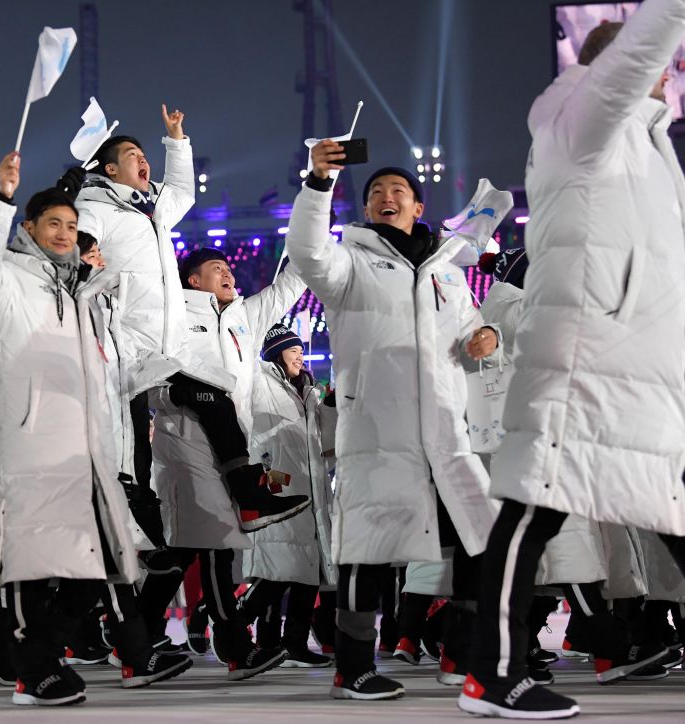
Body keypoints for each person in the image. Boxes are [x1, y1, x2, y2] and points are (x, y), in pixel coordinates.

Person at [462, 2, 685, 717]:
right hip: (585, 357)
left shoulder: (653, 149)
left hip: (646, 367)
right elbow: (631, 62)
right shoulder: (580, 125)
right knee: (535, 511)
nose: (668, 73)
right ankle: (491, 675)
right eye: (656, 60)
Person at [0, 151, 191, 706]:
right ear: (29, 229)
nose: (64, 233)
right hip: (30, 446)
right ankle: (31, 670)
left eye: (70, 225)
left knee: (102, 564)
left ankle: (28, 654)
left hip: (85, 450)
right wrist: (0, 199)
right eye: (53, 224)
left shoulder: (82, 292)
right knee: (32, 564)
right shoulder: (10, 280)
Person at [286, 144, 501, 702]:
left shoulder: (447, 273)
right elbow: (306, 252)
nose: (386, 197)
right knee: (369, 551)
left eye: (396, 191)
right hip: (380, 432)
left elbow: (471, 333)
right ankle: (353, 666)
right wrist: (318, 183)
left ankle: (461, 651)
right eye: (376, 192)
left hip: (447, 436)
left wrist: (487, 339)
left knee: (481, 538)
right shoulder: (348, 262)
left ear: (417, 204)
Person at [76, 107, 310, 537]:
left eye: (144, 154)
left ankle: (247, 494)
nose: (143, 159)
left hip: (164, 347)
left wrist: (176, 141)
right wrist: (83, 251)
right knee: (131, 452)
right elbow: (77, 243)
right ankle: (137, 527)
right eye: (132, 154)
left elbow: (182, 192)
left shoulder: (151, 210)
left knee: (214, 397)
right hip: (125, 342)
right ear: (109, 168)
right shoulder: (94, 206)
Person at [139, 245, 308, 680]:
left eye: (229, 267)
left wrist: (311, 238)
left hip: (235, 448)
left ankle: (133, 637)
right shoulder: (172, 312)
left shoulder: (245, 316)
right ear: (193, 280)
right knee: (216, 541)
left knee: (186, 548)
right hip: (186, 441)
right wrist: (171, 395)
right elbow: (148, 373)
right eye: (217, 268)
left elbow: (292, 283)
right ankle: (235, 647)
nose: (228, 272)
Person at [238, 324, 337, 668]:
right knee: (278, 572)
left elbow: (327, 444)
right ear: (275, 353)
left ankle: (294, 643)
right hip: (279, 488)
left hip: (312, 494)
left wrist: (330, 404)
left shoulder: (309, 393)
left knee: (307, 571)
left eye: (300, 350)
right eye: (292, 350)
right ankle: (233, 625)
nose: (299, 355)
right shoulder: (260, 381)